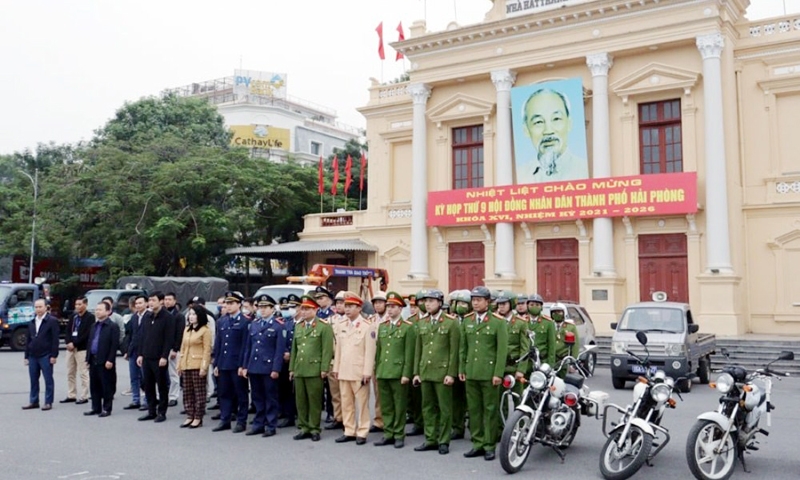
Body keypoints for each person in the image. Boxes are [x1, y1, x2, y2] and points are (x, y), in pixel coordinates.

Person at [460, 286, 508, 461]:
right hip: (471, 372)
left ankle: (489, 445)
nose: (475, 302)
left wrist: (498, 373)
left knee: (490, 410)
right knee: (474, 410)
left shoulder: (498, 322)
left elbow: (501, 351)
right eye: (473, 300)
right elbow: (463, 348)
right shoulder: (467, 320)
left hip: (489, 374)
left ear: (488, 302)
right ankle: (477, 443)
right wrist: (461, 369)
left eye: (479, 300)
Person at [412, 289, 459, 455]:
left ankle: (444, 440)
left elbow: (454, 351)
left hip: (442, 372)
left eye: (431, 301)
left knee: (444, 408)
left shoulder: (451, 323)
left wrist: (451, 373)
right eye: (426, 301)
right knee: (427, 407)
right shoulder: (422, 323)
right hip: (426, 371)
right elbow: (418, 349)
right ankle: (430, 438)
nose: (428, 304)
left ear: (440, 303)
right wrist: (416, 372)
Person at [332, 293, 376, 445]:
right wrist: (336, 368)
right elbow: (338, 349)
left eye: (351, 306)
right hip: (344, 370)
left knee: (362, 404)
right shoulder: (341, 325)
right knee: (346, 403)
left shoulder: (367, 326)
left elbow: (370, 352)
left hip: (359, 372)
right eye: (346, 306)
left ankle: (362, 431)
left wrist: (367, 372)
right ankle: (349, 430)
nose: (347, 309)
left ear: (359, 308)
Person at [374, 291, 416, 448]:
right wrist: (377, 370)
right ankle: (388, 432)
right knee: (386, 405)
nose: (390, 310)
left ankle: (399, 434)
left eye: (393, 307)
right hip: (384, 370)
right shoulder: (383, 327)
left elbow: (409, 353)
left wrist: (406, 374)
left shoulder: (407, 328)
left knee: (399, 405)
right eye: (388, 306)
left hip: (398, 373)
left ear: (400, 309)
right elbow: (379, 351)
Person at [289, 295, 334, 442]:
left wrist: (324, 368)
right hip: (300, 368)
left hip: (314, 368)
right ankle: (304, 427)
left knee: (314, 400)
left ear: (315, 310)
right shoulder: (298, 326)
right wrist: (292, 369)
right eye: (302, 309)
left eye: (307, 309)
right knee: (300, 400)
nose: (304, 311)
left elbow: (327, 350)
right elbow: (294, 349)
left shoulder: (324, 326)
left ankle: (314, 428)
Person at [519, 87, 588, 182]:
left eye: (556, 119)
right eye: (538, 122)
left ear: (569, 123)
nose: (548, 131)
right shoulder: (520, 175)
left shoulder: (585, 170)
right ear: (526, 130)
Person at [241, 294, 286, 437]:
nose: (263, 310)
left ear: (273, 309)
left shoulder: (278, 326)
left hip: (268, 367)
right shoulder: (254, 324)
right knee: (257, 397)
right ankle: (258, 423)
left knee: (270, 397)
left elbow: (279, 350)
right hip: (254, 365)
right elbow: (249, 347)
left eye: (266, 307)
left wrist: (276, 368)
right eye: (261, 307)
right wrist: (245, 366)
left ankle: (271, 425)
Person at [211, 291, 250, 434]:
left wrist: (243, 365)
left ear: (239, 305)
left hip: (237, 364)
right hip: (224, 363)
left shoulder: (245, 321)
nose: (228, 306)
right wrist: (216, 364)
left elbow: (246, 345)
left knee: (241, 394)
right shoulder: (222, 321)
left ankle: (241, 421)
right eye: (227, 303)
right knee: (224, 393)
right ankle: (225, 419)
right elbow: (219, 344)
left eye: (231, 303)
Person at [137, 291, 176, 423]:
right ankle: (151, 410)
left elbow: (169, 338)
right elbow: (143, 337)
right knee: (148, 385)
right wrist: (141, 354)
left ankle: (162, 412)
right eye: (150, 300)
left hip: (159, 357)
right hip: (147, 356)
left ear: (161, 301)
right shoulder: (147, 316)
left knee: (162, 385)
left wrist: (165, 356)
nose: (151, 303)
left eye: (154, 300)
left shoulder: (167, 317)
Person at [178, 305, 212, 429]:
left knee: (199, 392)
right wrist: (180, 364)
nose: (191, 317)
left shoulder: (205, 330)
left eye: (194, 314)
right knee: (187, 392)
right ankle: (189, 414)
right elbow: (183, 348)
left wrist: (204, 367)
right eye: (190, 314)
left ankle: (198, 417)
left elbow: (207, 350)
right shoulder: (187, 329)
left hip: (197, 364)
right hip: (186, 364)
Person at [22, 299, 59, 411]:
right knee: (33, 379)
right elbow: (28, 340)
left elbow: (55, 340)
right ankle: (34, 401)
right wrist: (26, 356)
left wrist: (54, 355)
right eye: (36, 307)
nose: (38, 309)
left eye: (40, 307)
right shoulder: (32, 321)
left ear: (46, 307)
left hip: (46, 355)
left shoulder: (51, 321)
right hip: (33, 355)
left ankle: (48, 402)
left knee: (48, 379)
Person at [84, 302, 120, 417]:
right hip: (93, 359)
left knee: (106, 385)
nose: (97, 311)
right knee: (94, 385)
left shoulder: (112, 326)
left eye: (100, 309)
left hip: (105, 361)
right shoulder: (94, 326)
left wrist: (110, 360)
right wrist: (87, 359)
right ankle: (96, 407)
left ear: (108, 311)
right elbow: (90, 342)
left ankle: (107, 408)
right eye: (96, 309)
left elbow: (114, 345)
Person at [497, 292, 530, 400]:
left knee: (518, 398)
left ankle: (520, 417)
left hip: (514, 366)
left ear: (511, 304)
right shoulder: (496, 321)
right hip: (499, 367)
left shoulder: (520, 323)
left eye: (504, 304)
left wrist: (521, 369)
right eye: (499, 304)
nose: (501, 307)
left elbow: (525, 348)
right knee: (500, 398)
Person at [61, 296, 94, 405]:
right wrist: (68, 342)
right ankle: (71, 394)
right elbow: (67, 331)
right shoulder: (73, 317)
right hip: (70, 349)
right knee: (70, 372)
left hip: (82, 348)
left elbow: (87, 334)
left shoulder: (90, 317)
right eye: (76, 304)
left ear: (85, 305)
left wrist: (75, 343)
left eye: (80, 304)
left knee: (83, 372)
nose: (77, 306)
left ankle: (84, 395)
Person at [449, 290, 471, 440]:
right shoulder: (451, 320)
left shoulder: (472, 321)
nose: (460, 306)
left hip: (469, 365)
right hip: (453, 364)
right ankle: (457, 427)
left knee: (470, 399)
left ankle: (474, 427)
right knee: (456, 399)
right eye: (458, 303)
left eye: (464, 303)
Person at [323, 290, 345, 431]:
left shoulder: (356, 320)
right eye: (337, 302)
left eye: (342, 302)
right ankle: (338, 418)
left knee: (348, 395)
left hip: (347, 362)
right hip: (333, 361)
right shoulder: (330, 320)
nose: (339, 305)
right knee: (335, 394)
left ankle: (349, 420)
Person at [123, 295, 150, 411]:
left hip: (145, 351)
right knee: (134, 377)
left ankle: (147, 400)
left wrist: (144, 353)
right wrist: (127, 351)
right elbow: (131, 335)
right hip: (133, 351)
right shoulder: (134, 317)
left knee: (146, 378)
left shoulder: (149, 316)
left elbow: (149, 337)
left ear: (146, 304)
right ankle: (135, 400)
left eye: (140, 303)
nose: (138, 305)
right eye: (136, 304)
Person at [276, 294, 299, 429]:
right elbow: (282, 339)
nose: (291, 309)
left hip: (298, 360)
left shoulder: (304, 323)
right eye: (290, 307)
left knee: (296, 390)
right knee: (284, 388)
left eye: (294, 307)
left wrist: (291, 354)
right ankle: (286, 414)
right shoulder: (287, 322)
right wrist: (285, 352)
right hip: (285, 360)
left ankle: (295, 414)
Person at [368, 292, 387, 433]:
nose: (378, 305)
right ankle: (379, 420)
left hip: (387, 359)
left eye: (380, 302)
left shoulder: (390, 318)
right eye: (375, 303)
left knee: (387, 393)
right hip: (374, 359)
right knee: (377, 392)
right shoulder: (371, 319)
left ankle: (389, 421)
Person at [164, 292, 184, 408]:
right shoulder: (162, 314)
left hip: (173, 349)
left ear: (175, 301)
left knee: (174, 374)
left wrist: (175, 349)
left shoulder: (178, 316)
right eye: (166, 299)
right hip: (162, 348)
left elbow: (179, 334)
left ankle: (173, 396)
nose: (167, 301)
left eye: (170, 299)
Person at [527, 294, 557, 367]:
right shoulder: (522, 321)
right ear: (527, 306)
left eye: (537, 305)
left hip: (542, 361)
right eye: (531, 305)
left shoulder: (548, 323)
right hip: (526, 362)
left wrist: (550, 365)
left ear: (541, 307)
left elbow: (552, 346)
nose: (534, 307)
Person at [551, 304, 580, 378]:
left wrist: (573, 362)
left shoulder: (570, 326)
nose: (557, 314)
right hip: (551, 359)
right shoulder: (549, 325)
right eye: (554, 312)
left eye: (559, 312)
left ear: (564, 313)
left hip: (564, 360)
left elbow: (575, 345)